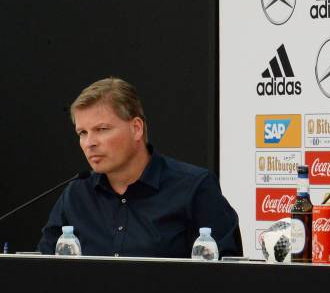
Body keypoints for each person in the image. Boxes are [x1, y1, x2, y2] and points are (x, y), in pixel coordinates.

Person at [38, 77, 242, 258]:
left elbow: (227, 278)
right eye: (82, 132)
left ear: (136, 128)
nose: (89, 143)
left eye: (101, 129)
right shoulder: (76, 195)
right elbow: (42, 271)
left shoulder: (195, 188)